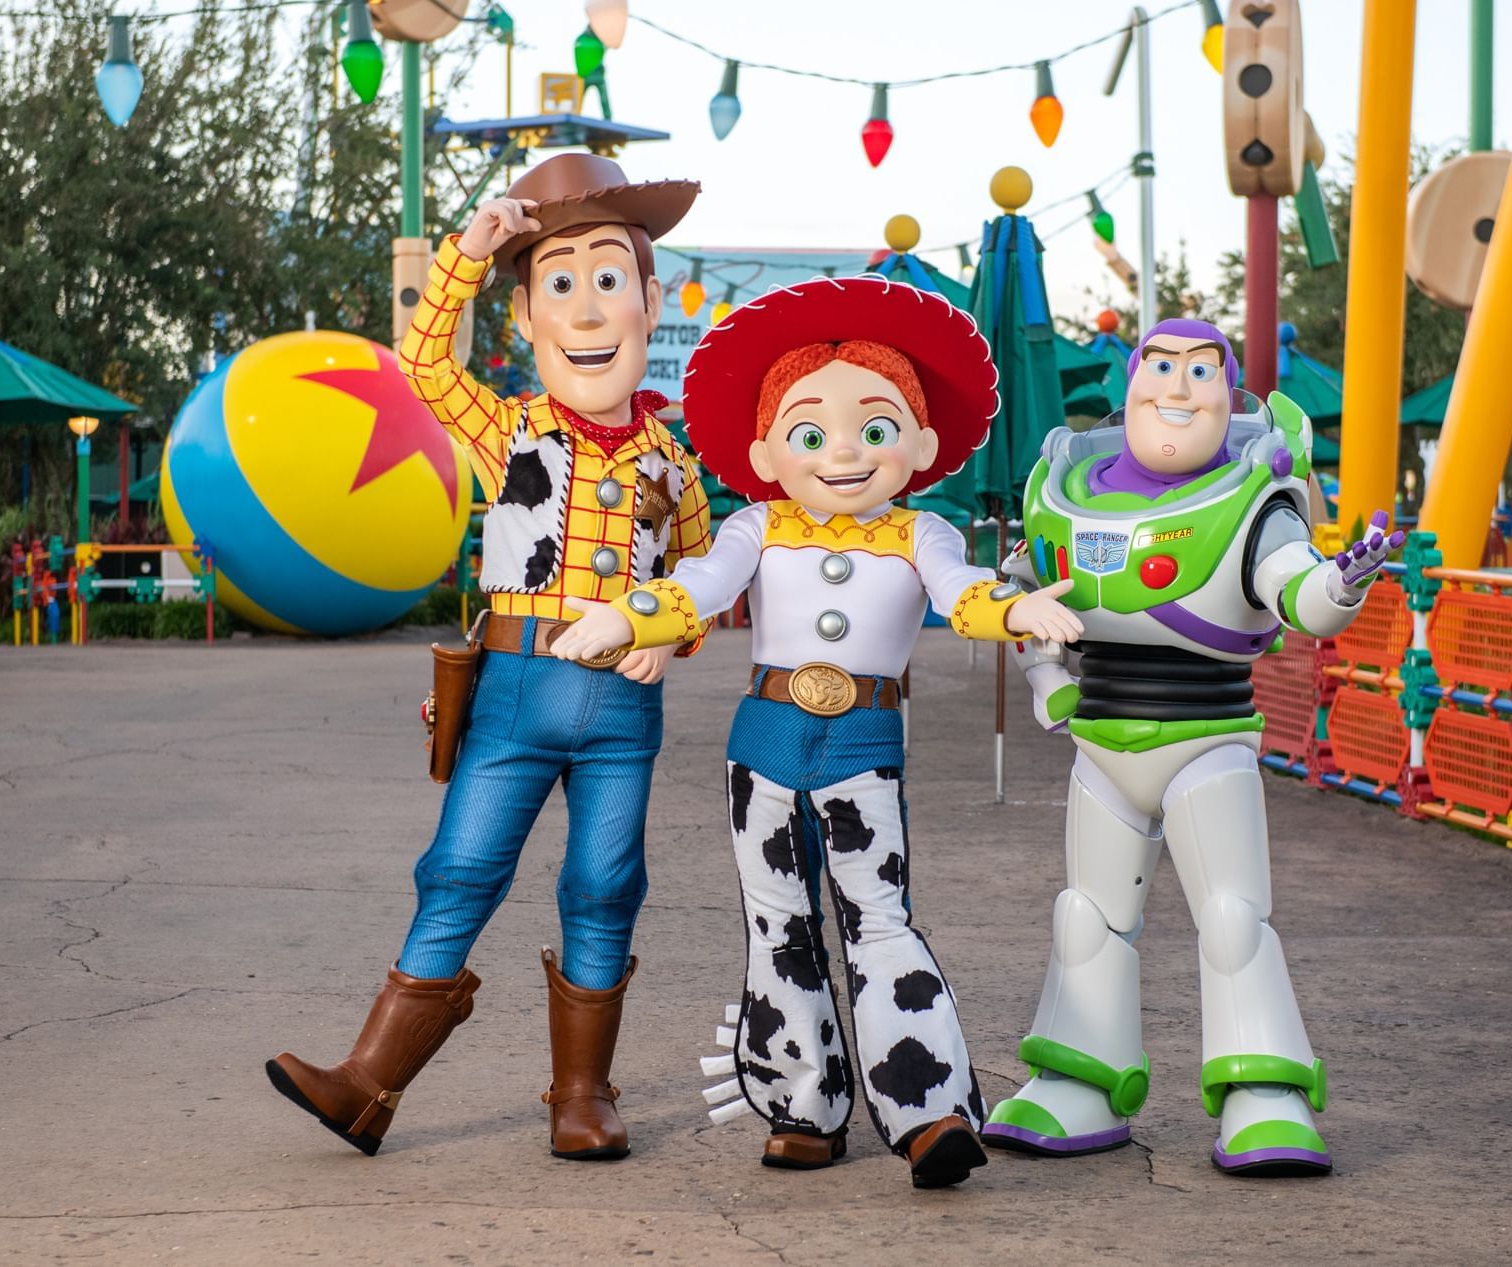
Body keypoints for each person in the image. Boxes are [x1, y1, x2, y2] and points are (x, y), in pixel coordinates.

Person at [552, 275, 1082, 1188]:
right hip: (762, 744)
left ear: (917, 443)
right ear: (767, 450)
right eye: (810, 434)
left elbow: (964, 597)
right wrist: (630, 618)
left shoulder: (925, 534)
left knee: (881, 922)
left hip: (863, 748)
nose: (843, 452)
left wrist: (1016, 608)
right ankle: (802, 1102)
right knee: (778, 924)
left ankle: (929, 1111)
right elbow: (702, 586)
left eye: (874, 431)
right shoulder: (756, 525)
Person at [265, 153, 711, 1162]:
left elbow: (701, 580)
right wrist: (467, 254)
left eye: (609, 282)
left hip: (618, 712)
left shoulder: (675, 464)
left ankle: (582, 1097)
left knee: (604, 884)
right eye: (560, 284)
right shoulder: (506, 429)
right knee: (458, 868)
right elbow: (423, 367)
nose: (589, 313)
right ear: (526, 319)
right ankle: (366, 1084)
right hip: (510, 689)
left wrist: (666, 637)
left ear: (648, 303)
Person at [982, 318, 1403, 1176]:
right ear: (1130, 383)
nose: (1177, 389)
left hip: (1207, 738)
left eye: (1200, 371)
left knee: (1231, 918)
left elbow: (1296, 591)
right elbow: (1019, 592)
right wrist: (1040, 670)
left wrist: (1342, 581)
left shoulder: (1252, 497)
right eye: (1162, 368)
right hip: (1101, 740)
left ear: (1226, 393)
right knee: (1086, 916)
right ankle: (1079, 1080)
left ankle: (1266, 1092)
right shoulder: (1068, 486)